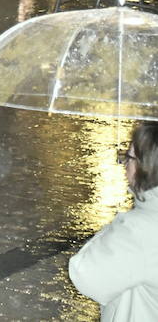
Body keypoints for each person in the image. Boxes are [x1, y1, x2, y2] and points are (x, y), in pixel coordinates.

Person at [69, 122, 158, 321]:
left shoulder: (139, 230)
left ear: (147, 166)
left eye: (128, 158)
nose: (124, 165)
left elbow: (86, 276)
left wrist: (122, 223)